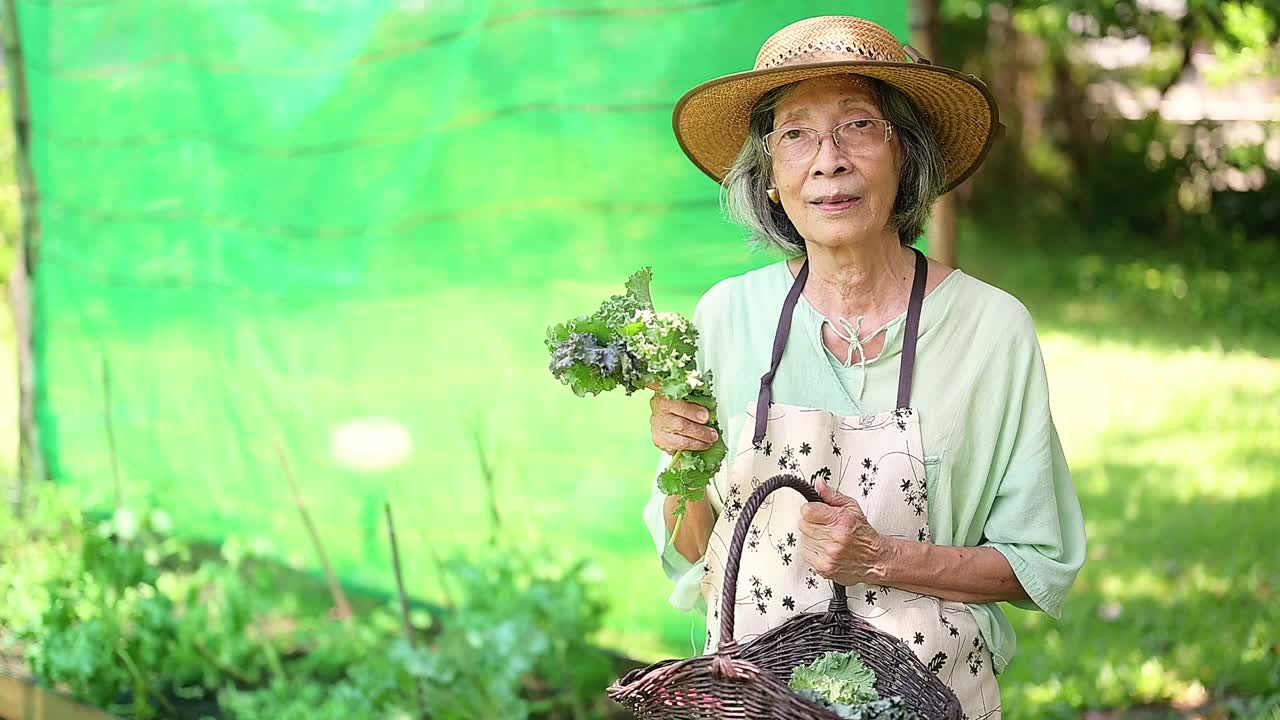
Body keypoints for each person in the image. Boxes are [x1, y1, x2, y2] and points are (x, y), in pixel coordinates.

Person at [641, 16, 1086, 718]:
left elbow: (1035, 566)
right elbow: (696, 547)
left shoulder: (991, 330)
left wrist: (883, 559)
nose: (828, 160)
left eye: (858, 125)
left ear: (905, 155)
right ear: (770, 176)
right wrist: (681, 462)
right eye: (795, 135)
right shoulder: (728, 316)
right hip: (757, 699)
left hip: (932, 693)